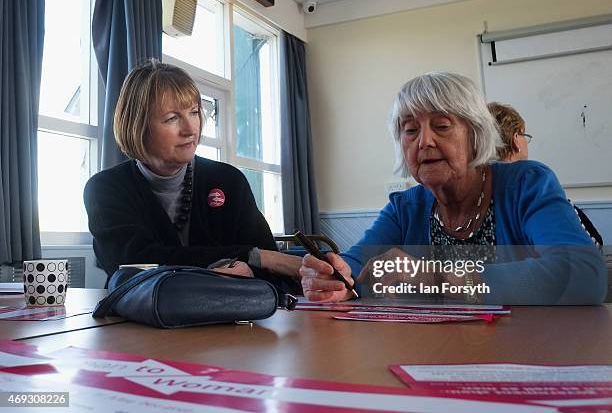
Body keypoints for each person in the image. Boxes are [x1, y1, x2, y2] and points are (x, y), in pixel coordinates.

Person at [300, 72, 606, 305]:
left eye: (442, 126)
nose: (424, 141)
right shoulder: (405, 208)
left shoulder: (526, 183)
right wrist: (331, 277)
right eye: (410, 130)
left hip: (528, 355)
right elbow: (356, 266)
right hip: (433, 355)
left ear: (476, 134)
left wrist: (433, 276)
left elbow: (583, 275)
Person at [84, 60, 301, 291]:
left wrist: (252, 267)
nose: (191, 129)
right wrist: (255, 257)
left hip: (228, 318)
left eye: (194, 112)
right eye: (172, 118)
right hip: (137, 322)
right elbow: (132, 264)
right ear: (137, 125)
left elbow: (274, 273)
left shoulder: (228, 180)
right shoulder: (105, 188)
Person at [488, 102, 603, 249]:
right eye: (525, 135)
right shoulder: (532, 181)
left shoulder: (474, 190)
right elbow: (586, 251)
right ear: (515, 139)